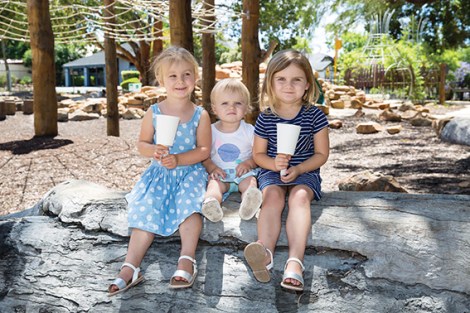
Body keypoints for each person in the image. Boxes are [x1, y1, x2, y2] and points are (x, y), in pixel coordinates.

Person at [108, 46, 211, 295]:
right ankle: (131, 265)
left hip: (189, 172)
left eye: (187, 74)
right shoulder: (154, 112)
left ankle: (187, 258)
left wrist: (178, 159)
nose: (180, 81)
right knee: (146, 208)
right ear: (162, 80)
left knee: (190, 207)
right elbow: (142, 143)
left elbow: (204, 150)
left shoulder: (200, 114)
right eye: (173, 76)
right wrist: (153, 150)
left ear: (195, 78)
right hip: (160, 173)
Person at [243, 49, 330, 292]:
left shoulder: (315, 116)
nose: (288, 85)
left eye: (296, 79)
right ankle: (265, 252)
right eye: (281, 79)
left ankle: (295, 262)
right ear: (270, 82)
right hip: (273, 170)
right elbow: (258, 155)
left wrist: (299, 167)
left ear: (307, 84)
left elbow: (322, 154)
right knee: (271, 197)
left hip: (306, 170)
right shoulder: (266, 118)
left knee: (299, 197)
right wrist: (275, 165)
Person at [201, 78, 262, 222]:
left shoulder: (249, 131)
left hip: (243, 174)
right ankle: (212, 204)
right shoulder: (210, 131)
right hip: (220, 174)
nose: (231, 108)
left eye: (238, 103)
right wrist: (212, 168)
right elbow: (204, 156)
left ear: (246, 108)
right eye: (225, 103)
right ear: (215, 109)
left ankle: (249, 203)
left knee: (250, 182)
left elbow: (259, 154)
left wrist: (249, 164)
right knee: (213, 186)